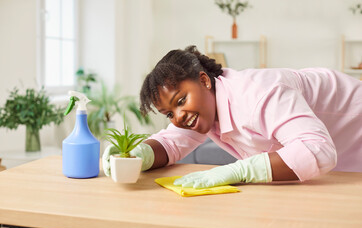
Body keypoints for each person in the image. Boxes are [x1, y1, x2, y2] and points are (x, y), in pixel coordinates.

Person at [103, 46, 362, 189]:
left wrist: (240, 170)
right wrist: (137, 155)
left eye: (181, 101)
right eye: (169, 113)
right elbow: (171, 142)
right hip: (339, 158)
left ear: (204, 80)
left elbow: (319, 150)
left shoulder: (259, 94)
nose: (179, 117)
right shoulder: (203, 108)